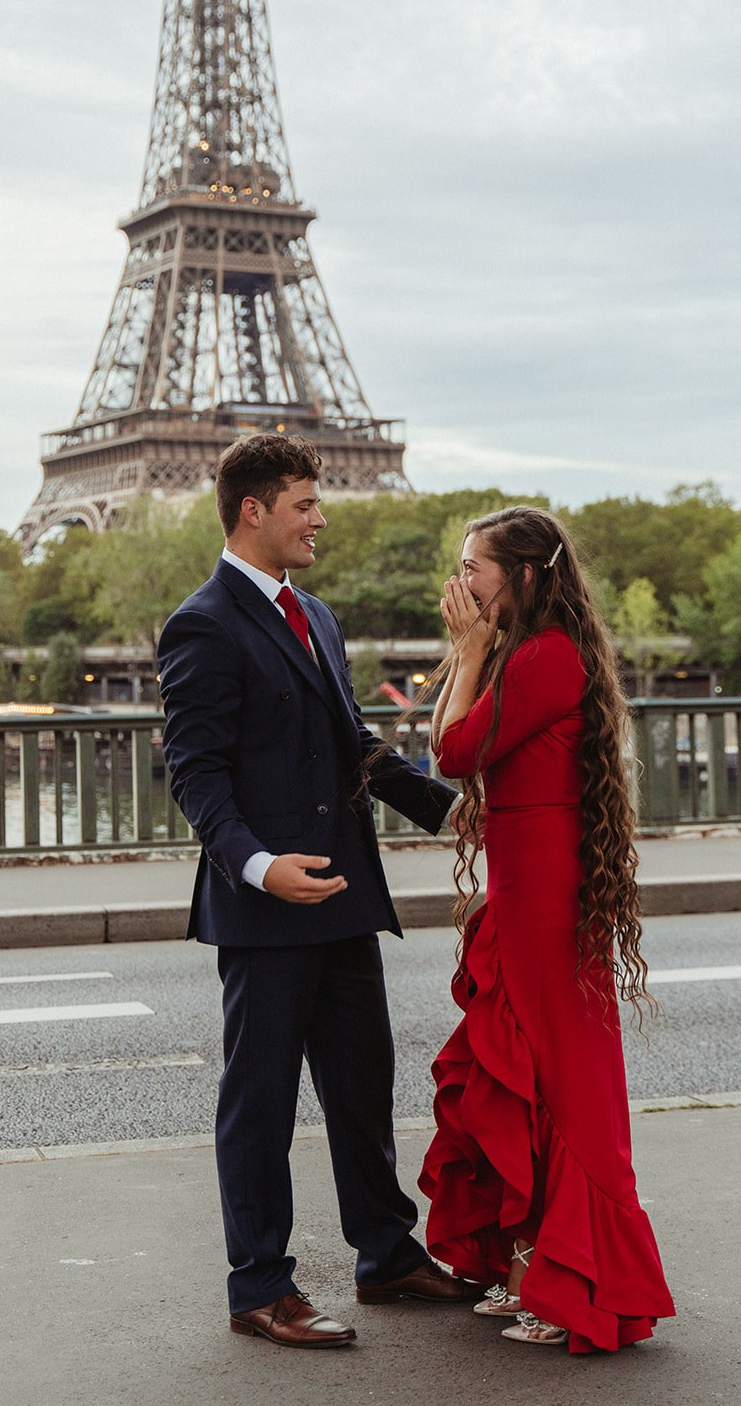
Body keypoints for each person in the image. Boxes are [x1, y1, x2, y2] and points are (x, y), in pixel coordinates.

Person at [158, 433, 479, 1351]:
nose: (320, 520)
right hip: (267, 903)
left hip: (340, 890)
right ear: (253, 510)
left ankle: (385, 1255)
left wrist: (449, 809)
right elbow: (195, 772)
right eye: (304, 505)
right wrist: (259, 866)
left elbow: (353, 743)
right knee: (258, 1104)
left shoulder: (317, 616)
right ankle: (260, 1286)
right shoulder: (202, 623)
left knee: (362, 1087)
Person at [419, 506, 675, 1354]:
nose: (461, 583)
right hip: (523, 884)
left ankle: (579, 1286)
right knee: (522, 1067)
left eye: (474, 568)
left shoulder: (545, 657)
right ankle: (534, 1264)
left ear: (524, 575)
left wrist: (466, 654)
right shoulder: (530, 652)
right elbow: (449, 747)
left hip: (541, 892)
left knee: (557, 1077)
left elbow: (454, 755)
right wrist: (472, 653)